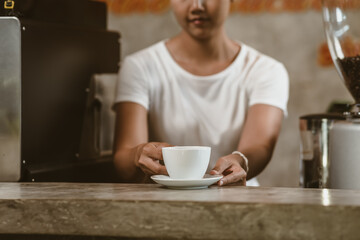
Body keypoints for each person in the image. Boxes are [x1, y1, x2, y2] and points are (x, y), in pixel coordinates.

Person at [113, 0, 289, 186]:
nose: (197, 6)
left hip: (237, 200)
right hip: (164, 202)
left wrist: (240, 161)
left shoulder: (265, 70)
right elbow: (124, 157)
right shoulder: (139, 67)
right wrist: (137, 154)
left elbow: (260, 146)